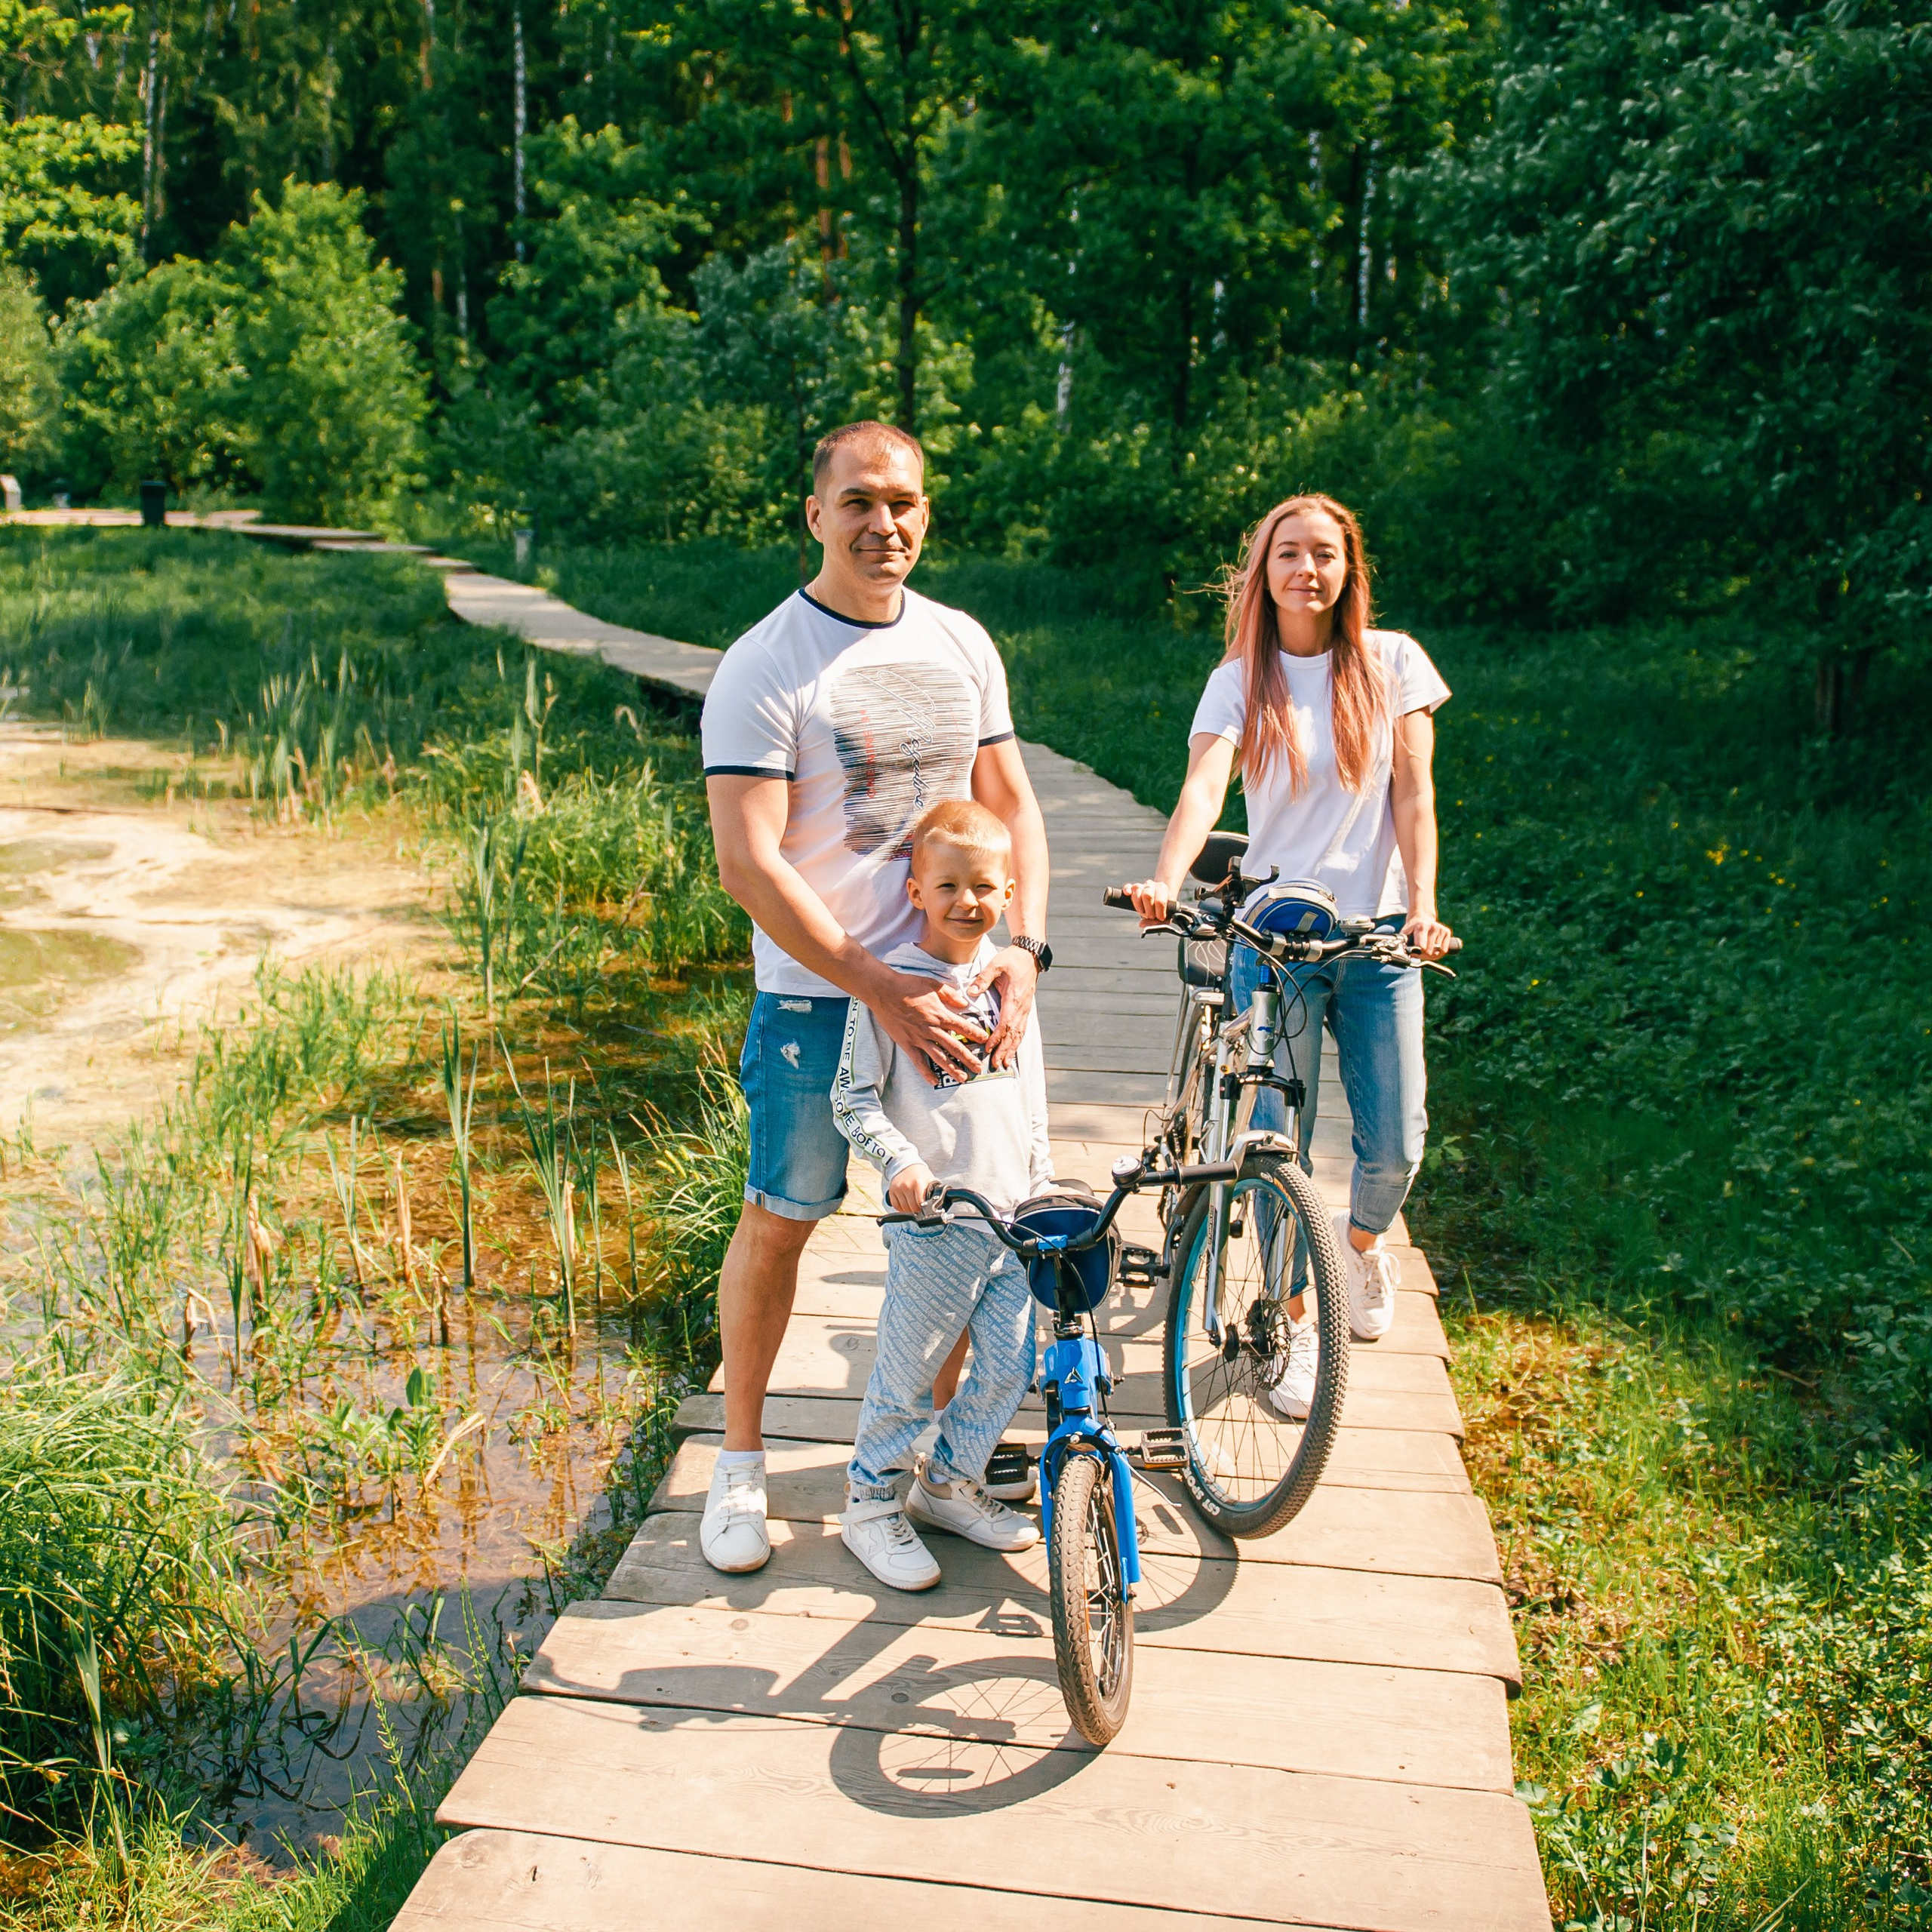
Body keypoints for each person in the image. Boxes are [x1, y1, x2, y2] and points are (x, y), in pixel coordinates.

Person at [699, 420, 1051, 1574]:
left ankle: (938, 1473)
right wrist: (874, 988)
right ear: (816, 514)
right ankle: (740, 1470)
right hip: (819, 999)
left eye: (901, 502)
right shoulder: (766, 662)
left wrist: (1025, 952)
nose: (881, 523)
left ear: (925, 513)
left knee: (960, 1232)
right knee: (783, 1216)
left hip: (956, 1000)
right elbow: (749, 862)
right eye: (857, 502)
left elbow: (1014, 801)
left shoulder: (962, 643)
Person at [1125, 493, 1454, 1417]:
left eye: (1322, 554)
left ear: (1348, 568)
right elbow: (1201, 786)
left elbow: (1415, 802)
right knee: (1275, 1146)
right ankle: (1297, 1319)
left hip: (1375, 936)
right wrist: (1165, 875)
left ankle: (1353, 1248)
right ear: (1261, 573)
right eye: (1286, 555)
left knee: (1395, 1144)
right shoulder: (1239, 676)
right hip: (1272, 941)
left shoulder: (1393, 664)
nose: (1304, 570)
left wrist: (1422, 908)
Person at [829, 798, 1049, 1589]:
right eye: (948, 885)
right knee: (910, 1372)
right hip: (935, 1222)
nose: (968, 902)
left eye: (984, 886)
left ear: (1008, 892)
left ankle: (949, 1482)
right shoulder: (889, 990)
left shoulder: (1009, 984)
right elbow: (851, 1099)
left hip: (1013, 1222)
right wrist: (898, 1164)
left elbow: (1030, 1098)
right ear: (915, 890)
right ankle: (870, 1503)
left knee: (1006, 1366)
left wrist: (1044, 1183)